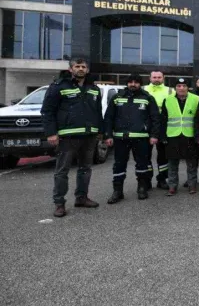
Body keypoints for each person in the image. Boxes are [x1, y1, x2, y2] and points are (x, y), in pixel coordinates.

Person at [41, 58, 103, 217]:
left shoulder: (94, 88)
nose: (81, 69)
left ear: (87, 70)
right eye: (77, 66)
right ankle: (59, 203)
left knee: (85, 169)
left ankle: (81, 198)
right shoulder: (59, 86)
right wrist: (51, 133)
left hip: (89, 136)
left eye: (83, 66)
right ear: (71, 69)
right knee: (62, 171)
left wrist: (101, 131)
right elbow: (47, 111)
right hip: (67, 137)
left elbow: (97, 111)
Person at [103, 73, 160, 203]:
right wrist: (108, 135)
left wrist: (154, 135)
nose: (133, 84)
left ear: (140, 84)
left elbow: (155, 118)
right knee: (119, 165)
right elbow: (109, 118)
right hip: (120, 138)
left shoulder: (148, 98)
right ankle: (117, 191)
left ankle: (142, 188)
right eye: (130, 82)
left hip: (141, 138)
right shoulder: (117, 97)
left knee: (142, 165)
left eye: (136, 82)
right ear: (127, 83)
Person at [162, 78, 199, 196]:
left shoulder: (196, 99)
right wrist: (162, 136)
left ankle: (192, 185)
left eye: (184, 86)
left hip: (190, 136)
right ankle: (172, 187)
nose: (181, 88)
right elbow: (163, 119)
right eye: (178, 86)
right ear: (175, 88)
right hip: (172, 135)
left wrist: (198, 135)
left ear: (188, 88)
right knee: (172, 164)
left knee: (191, 163)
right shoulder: (168, 100)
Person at [144, 71, 174, 190]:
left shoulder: (170, 91)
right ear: (150, 78)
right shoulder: (143, 89)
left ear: (163, 78)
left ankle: (162, 179)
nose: (157, 79)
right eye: (154, 77)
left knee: (163, 155)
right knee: (145, 155)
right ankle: (146, 180)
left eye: (159, 77)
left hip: (164, 125)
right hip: (146, 125)